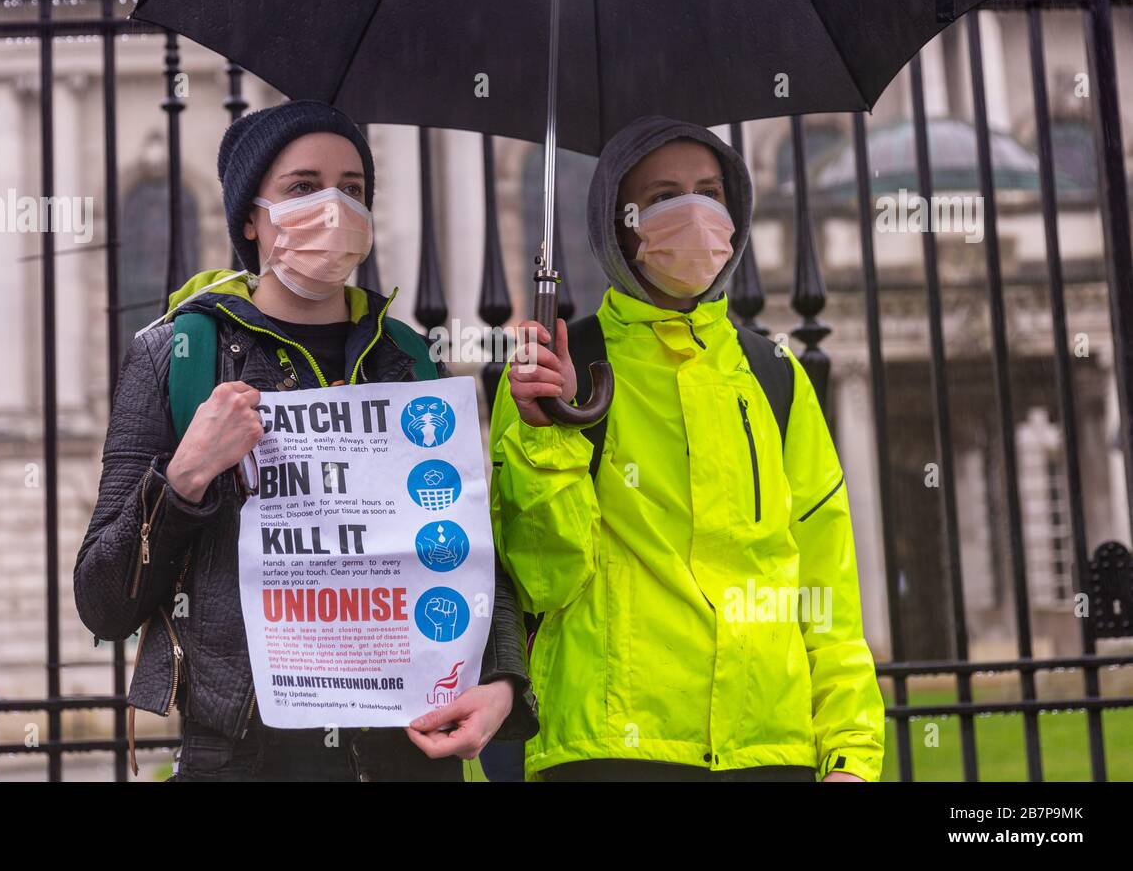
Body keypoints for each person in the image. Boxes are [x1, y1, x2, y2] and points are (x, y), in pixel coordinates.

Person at [75, 99, 537, 781]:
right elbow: (103, 600)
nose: (334, 208)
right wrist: (183, 479)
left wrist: (501, 682)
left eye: (353, 189)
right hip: (245, 757)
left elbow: (465, 552)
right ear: (252, 221)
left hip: (404, 756)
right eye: (303, 187)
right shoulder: (175, 354)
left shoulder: (407, 357)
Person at [489, 115, 885, 782]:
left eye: (709, 192)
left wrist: (850, 753)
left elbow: (825, 588)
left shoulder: (775, 375)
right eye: (666, 196)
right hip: (609, 752)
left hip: (769, 752)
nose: (694, 212)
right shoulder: (556, 371)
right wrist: (545, 433)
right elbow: (541, 578)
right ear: (620, 223)